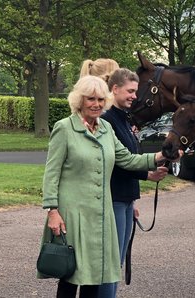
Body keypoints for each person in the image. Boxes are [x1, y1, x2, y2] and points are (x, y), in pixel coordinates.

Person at [37, 75, 167, 298]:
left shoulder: (106, 128)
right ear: (79, 100)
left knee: (95, 274)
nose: (96, 104)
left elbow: (126, 159)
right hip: (73, 214)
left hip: (101, 215)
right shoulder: (64, 128)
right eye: (90, 99)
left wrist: (159, 156)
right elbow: (52, 172)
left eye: (100, 99)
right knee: (71, 273)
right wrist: (52, 210)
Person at [97, 68, 168, 297]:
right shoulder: (108, 120)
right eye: (130, 91)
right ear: (115, 89)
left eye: (135, 91)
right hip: (115, 198)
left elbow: (129, 160)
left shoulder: (123, 120)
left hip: (126, 199)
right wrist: (158, 159)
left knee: (118, 258)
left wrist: (148, 176)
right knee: (111, 260)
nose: (134, 96)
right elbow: (120, 162)